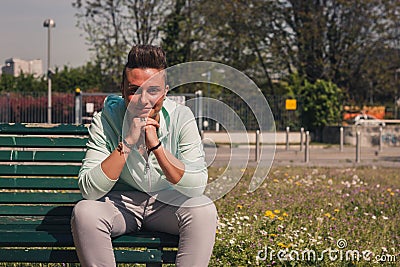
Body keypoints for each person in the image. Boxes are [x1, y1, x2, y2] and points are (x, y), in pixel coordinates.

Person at [71, 44, 217, 267]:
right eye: (134, 90)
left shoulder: (181, 117)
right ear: (123, 90)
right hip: (121, 205)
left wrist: (156, 146)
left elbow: (196, 187)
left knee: (204, 209)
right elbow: (89, 190)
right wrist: (128, 142)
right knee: (85, 212)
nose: (143, 100)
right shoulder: (106, 119)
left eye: (152, 90)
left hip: (166, 204)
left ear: (165, 91)